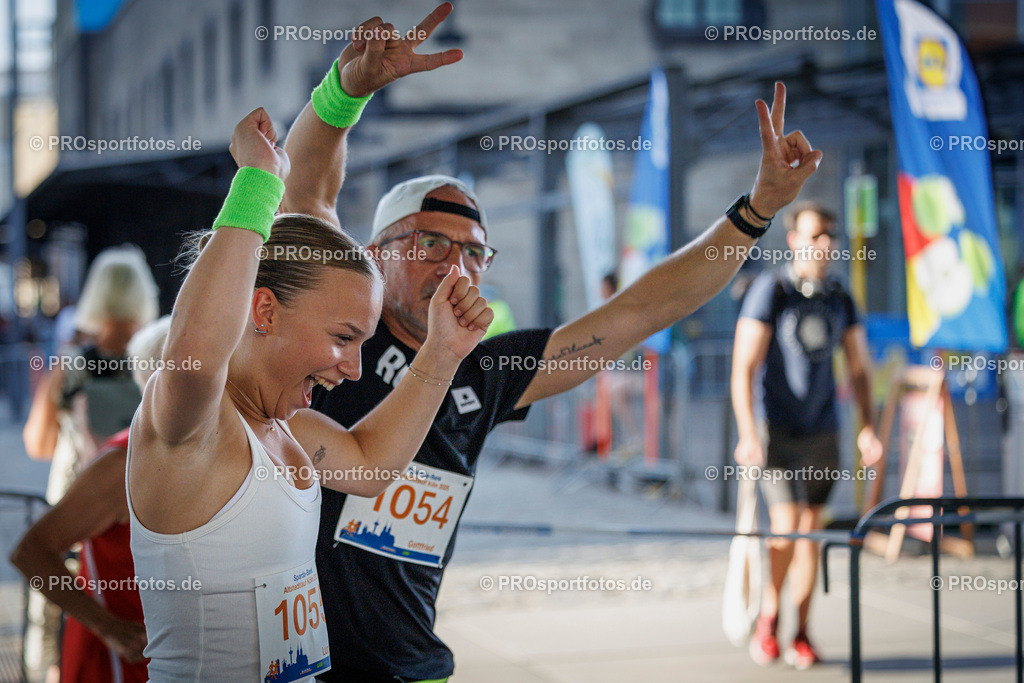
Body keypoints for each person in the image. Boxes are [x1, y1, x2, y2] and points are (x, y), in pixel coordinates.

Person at [282, 7, 823, 677]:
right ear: (374, 254)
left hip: (417, 667)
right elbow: (304, 192)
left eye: (476, 253)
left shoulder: (486, 370)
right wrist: (346, 91)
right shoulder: (333, 346)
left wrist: (757, 211)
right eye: (430, 244)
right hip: (302, 668)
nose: (456, 267)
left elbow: (642, 309)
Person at [126, 100, 490, 682]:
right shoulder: (194, 424)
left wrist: (443, 352)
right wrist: (257, 184)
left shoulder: (282, 426)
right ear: (264, 310)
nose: (352, 370)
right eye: (344, 338)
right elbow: (193, 357)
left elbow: (371, 467)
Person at [731, 201, 883, 669]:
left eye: (830, 237)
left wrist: (868, 428)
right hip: (775, 431)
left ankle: (802, 630)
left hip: (822, 432)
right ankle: (769, 620)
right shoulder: (771, 291)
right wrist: (747, 433)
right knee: (785, 527)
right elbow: (743, 367)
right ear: (794, 239)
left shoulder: (839, 296)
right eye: (816, 236)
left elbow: (859, 369)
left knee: (810, 532)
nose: (825, 246)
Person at [21, 244, 157, 683]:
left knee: (66, 629)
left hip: (76, 521)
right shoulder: (157, 360)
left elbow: (37, 445)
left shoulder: (74, 363)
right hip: (139, 530)